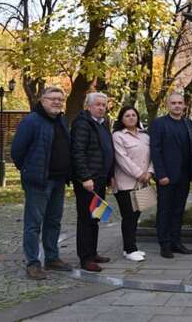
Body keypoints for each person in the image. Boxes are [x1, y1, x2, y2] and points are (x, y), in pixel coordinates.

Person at [11, 86, 73, 280]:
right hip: (39, 182)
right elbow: (17, 152)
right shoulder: (31, 121)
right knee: (33, 223)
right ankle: (33, 263)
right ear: (42, 100)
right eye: (52, 98)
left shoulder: (61, 121)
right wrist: (30, 171)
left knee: (54, 221)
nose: (56, 102)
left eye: (60, 99)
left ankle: (52, 257)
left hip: (58, 180)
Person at [71, 92, 115, 272]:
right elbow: (78, 152)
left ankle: (93, 252)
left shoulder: (103, 124)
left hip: (100, 178)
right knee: (85, 219)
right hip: (88, 180)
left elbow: (107, 150)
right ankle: (85, 258)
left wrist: (110, 175)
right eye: (97, 105)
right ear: (88, 106)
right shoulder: (82, 124)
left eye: (104, 105)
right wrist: (85, 177)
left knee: (95, 217)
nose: (101, 108)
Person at [149, 92, 192, 258]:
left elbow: (191, 150)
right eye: (174, 103)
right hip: (166, 177)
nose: (177, 105)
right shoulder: (159, 124)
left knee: (178, 210)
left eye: (180, 103)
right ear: (168, 105)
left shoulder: (188, 123)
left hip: (184, 176)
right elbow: (155, 150)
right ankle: (165, 244)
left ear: (184, 105)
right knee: (164, 211)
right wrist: (160, 174)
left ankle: (176, 242)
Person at [112, 106, 153, 262]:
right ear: (121, 119)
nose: (131, 117)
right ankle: (130, 249)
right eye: (127, 115)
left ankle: (130, 246)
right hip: (126, 183)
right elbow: (122, 159)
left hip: (143, 182)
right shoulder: (118, 136)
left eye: (133, 115)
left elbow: (152, 156)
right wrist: (139, 174)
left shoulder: (145, 136)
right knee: (128, 216)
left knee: (137, 215)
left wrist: (149, 172)